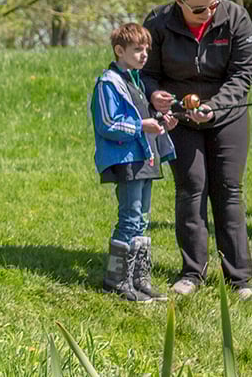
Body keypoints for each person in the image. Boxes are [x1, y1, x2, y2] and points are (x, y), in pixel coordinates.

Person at [142, 0, 252, 301]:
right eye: (198, 9)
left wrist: (214, 107)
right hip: (179, 117)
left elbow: (243, 74)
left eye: (213, 4)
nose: (208, 12)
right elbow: (146, 73)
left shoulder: (235, 16)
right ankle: (192, 272)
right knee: (191, 189)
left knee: (227, 190)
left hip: (227, 115)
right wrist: (155, 95)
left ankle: (240, 279)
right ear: (179, 1)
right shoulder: (159, 22)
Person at [91, 23, 176, 303]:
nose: (144, 55)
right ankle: (116, 280)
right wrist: (142, 126)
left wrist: (161, 123)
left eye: (146, 50)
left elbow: (144, 119)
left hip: (146, 158)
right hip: (127, 160)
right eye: (137, 50)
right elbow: (107, 124)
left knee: (142, 219)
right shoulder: (108, 83)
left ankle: (140, 280)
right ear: (119, 50)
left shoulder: (136, 81)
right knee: (129, 218)